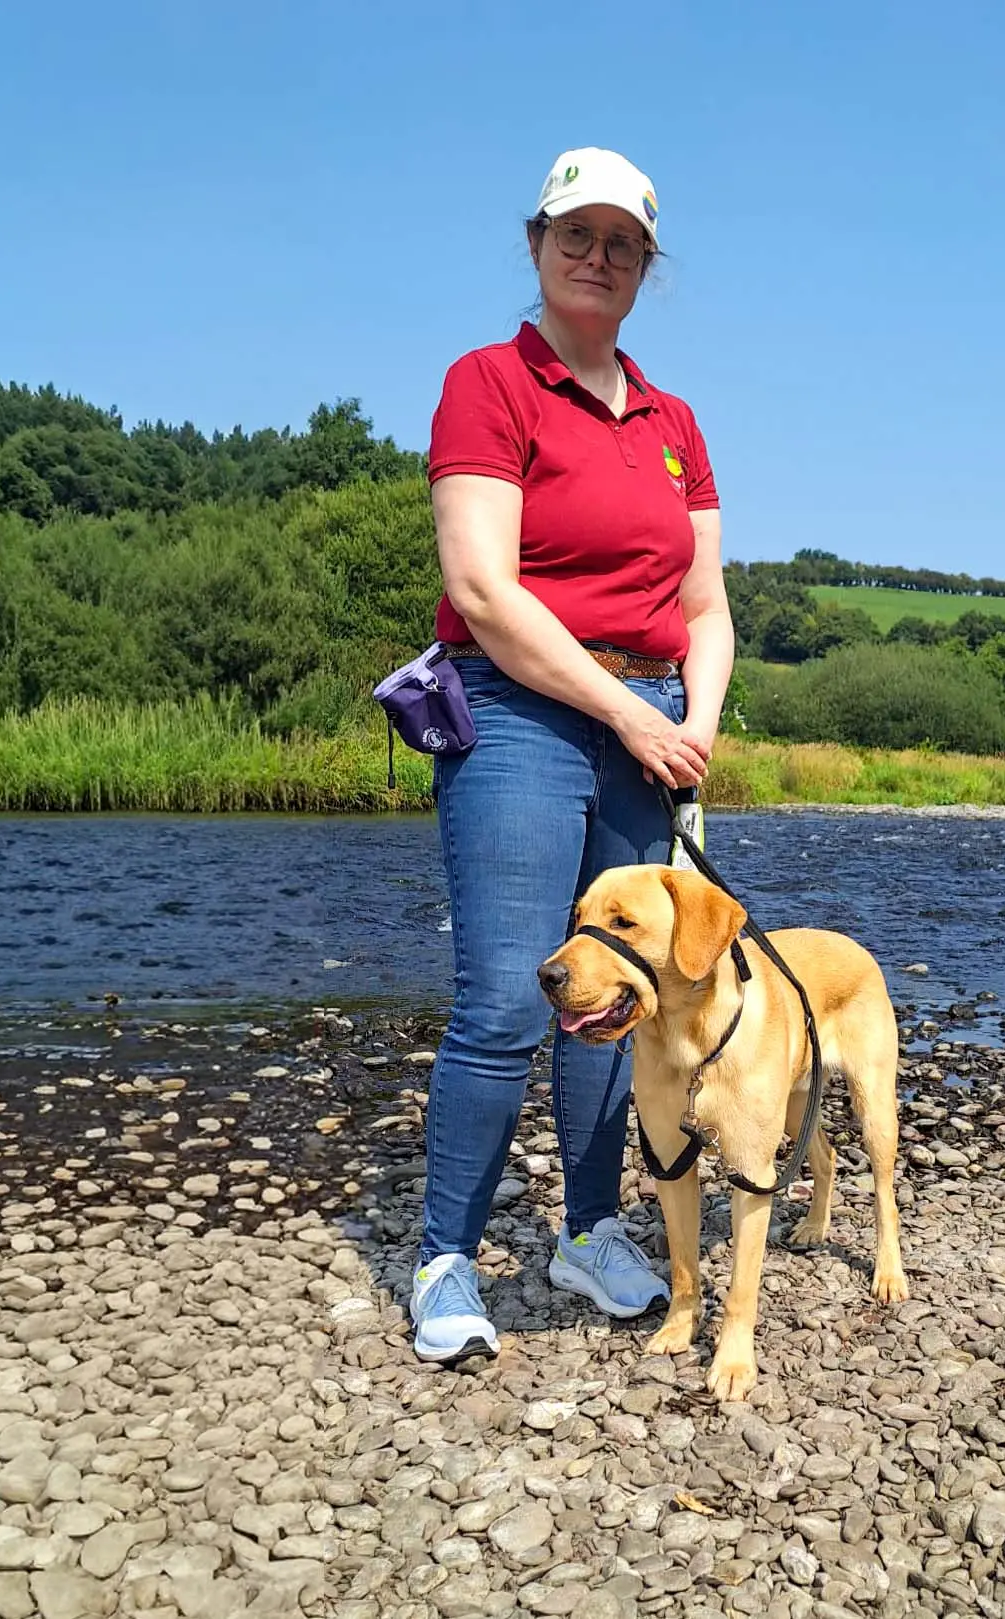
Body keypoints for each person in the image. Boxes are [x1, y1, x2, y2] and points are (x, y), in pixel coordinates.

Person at [409, 147, 733, 1364]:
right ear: (536, 243)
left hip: (649, 724)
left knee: (621, 997)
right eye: (576, 235)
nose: (597, 258)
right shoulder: (487, 382)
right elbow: (483, 590)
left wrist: (692, 716)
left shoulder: (672, 421)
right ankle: (446, 1253)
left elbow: (705, 605)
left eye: (623, 244)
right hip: (520, 711)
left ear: (646, 267)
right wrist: (625, 711)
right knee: (505, 993)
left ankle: (589, 1229)